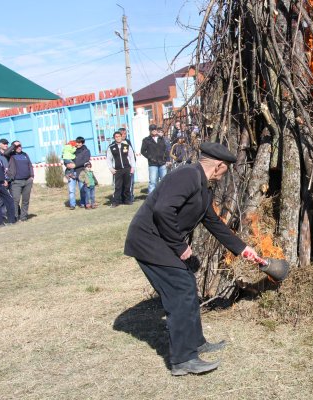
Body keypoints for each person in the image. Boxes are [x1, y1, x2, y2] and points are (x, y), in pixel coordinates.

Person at [124, 142, 261, 376]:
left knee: (187, 283)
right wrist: (179, 245)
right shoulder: (187, 175)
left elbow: (214, 223)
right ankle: (183, 360)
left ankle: (195, 342)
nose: (225, 173)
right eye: (226, 168)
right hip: (148, 242)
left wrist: (243, 249)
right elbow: (162, 210)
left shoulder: (202, 187)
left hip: (160, 241)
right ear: (219, 166)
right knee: (180, 291)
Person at [4, 140, 34, 221]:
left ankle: (23, 217)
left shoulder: (25, 155)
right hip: (16, 182)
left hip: (27, 181)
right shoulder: (11, 155)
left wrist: (32, 176)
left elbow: (30, 165)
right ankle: (15, 217)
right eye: (17, 146)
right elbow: (5, 153)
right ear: (14, 147)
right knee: (15, 200)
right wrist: (14, 145)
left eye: (20, 146)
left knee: (25, 200)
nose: (19, 147)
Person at [106, 130, 136, 207]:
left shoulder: (126, 146)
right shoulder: (111, 147)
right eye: (116, 137)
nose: (118, 138)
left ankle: (127, 200)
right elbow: (108, 159)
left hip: (127, 168)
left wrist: (133, 167)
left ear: (121, 137)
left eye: (119, 136)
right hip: (117, 170)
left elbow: (131, 157)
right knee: (117, 186)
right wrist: (111, 168)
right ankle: (116, 201)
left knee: (127, 185)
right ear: (114, 138)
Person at [141, 124, 169, 193]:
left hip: (162, 163)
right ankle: (151, 198)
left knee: (164, 181)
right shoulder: (146, 140)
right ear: (150, 131)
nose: (154, 131)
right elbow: (143, 151)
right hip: (153, 164)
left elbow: (166, 149)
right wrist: (150, 157)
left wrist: (166, 159)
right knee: (153, 181)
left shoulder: (161, 139)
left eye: (155, 129)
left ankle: (164, 196)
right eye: (152, 130)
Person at [67, 137, 91, 209]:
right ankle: (72, 205)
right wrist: (67, 164)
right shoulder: (71, 150)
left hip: (81, 172)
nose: (78, 144)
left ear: (82, 143)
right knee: (71, 190)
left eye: (80, 142)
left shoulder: (86, 151)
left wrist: (75, 165)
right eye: (77, 142)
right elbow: (66, 158)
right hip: (71, 172)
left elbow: (85, 160)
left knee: (82, 189)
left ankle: (83, 203)